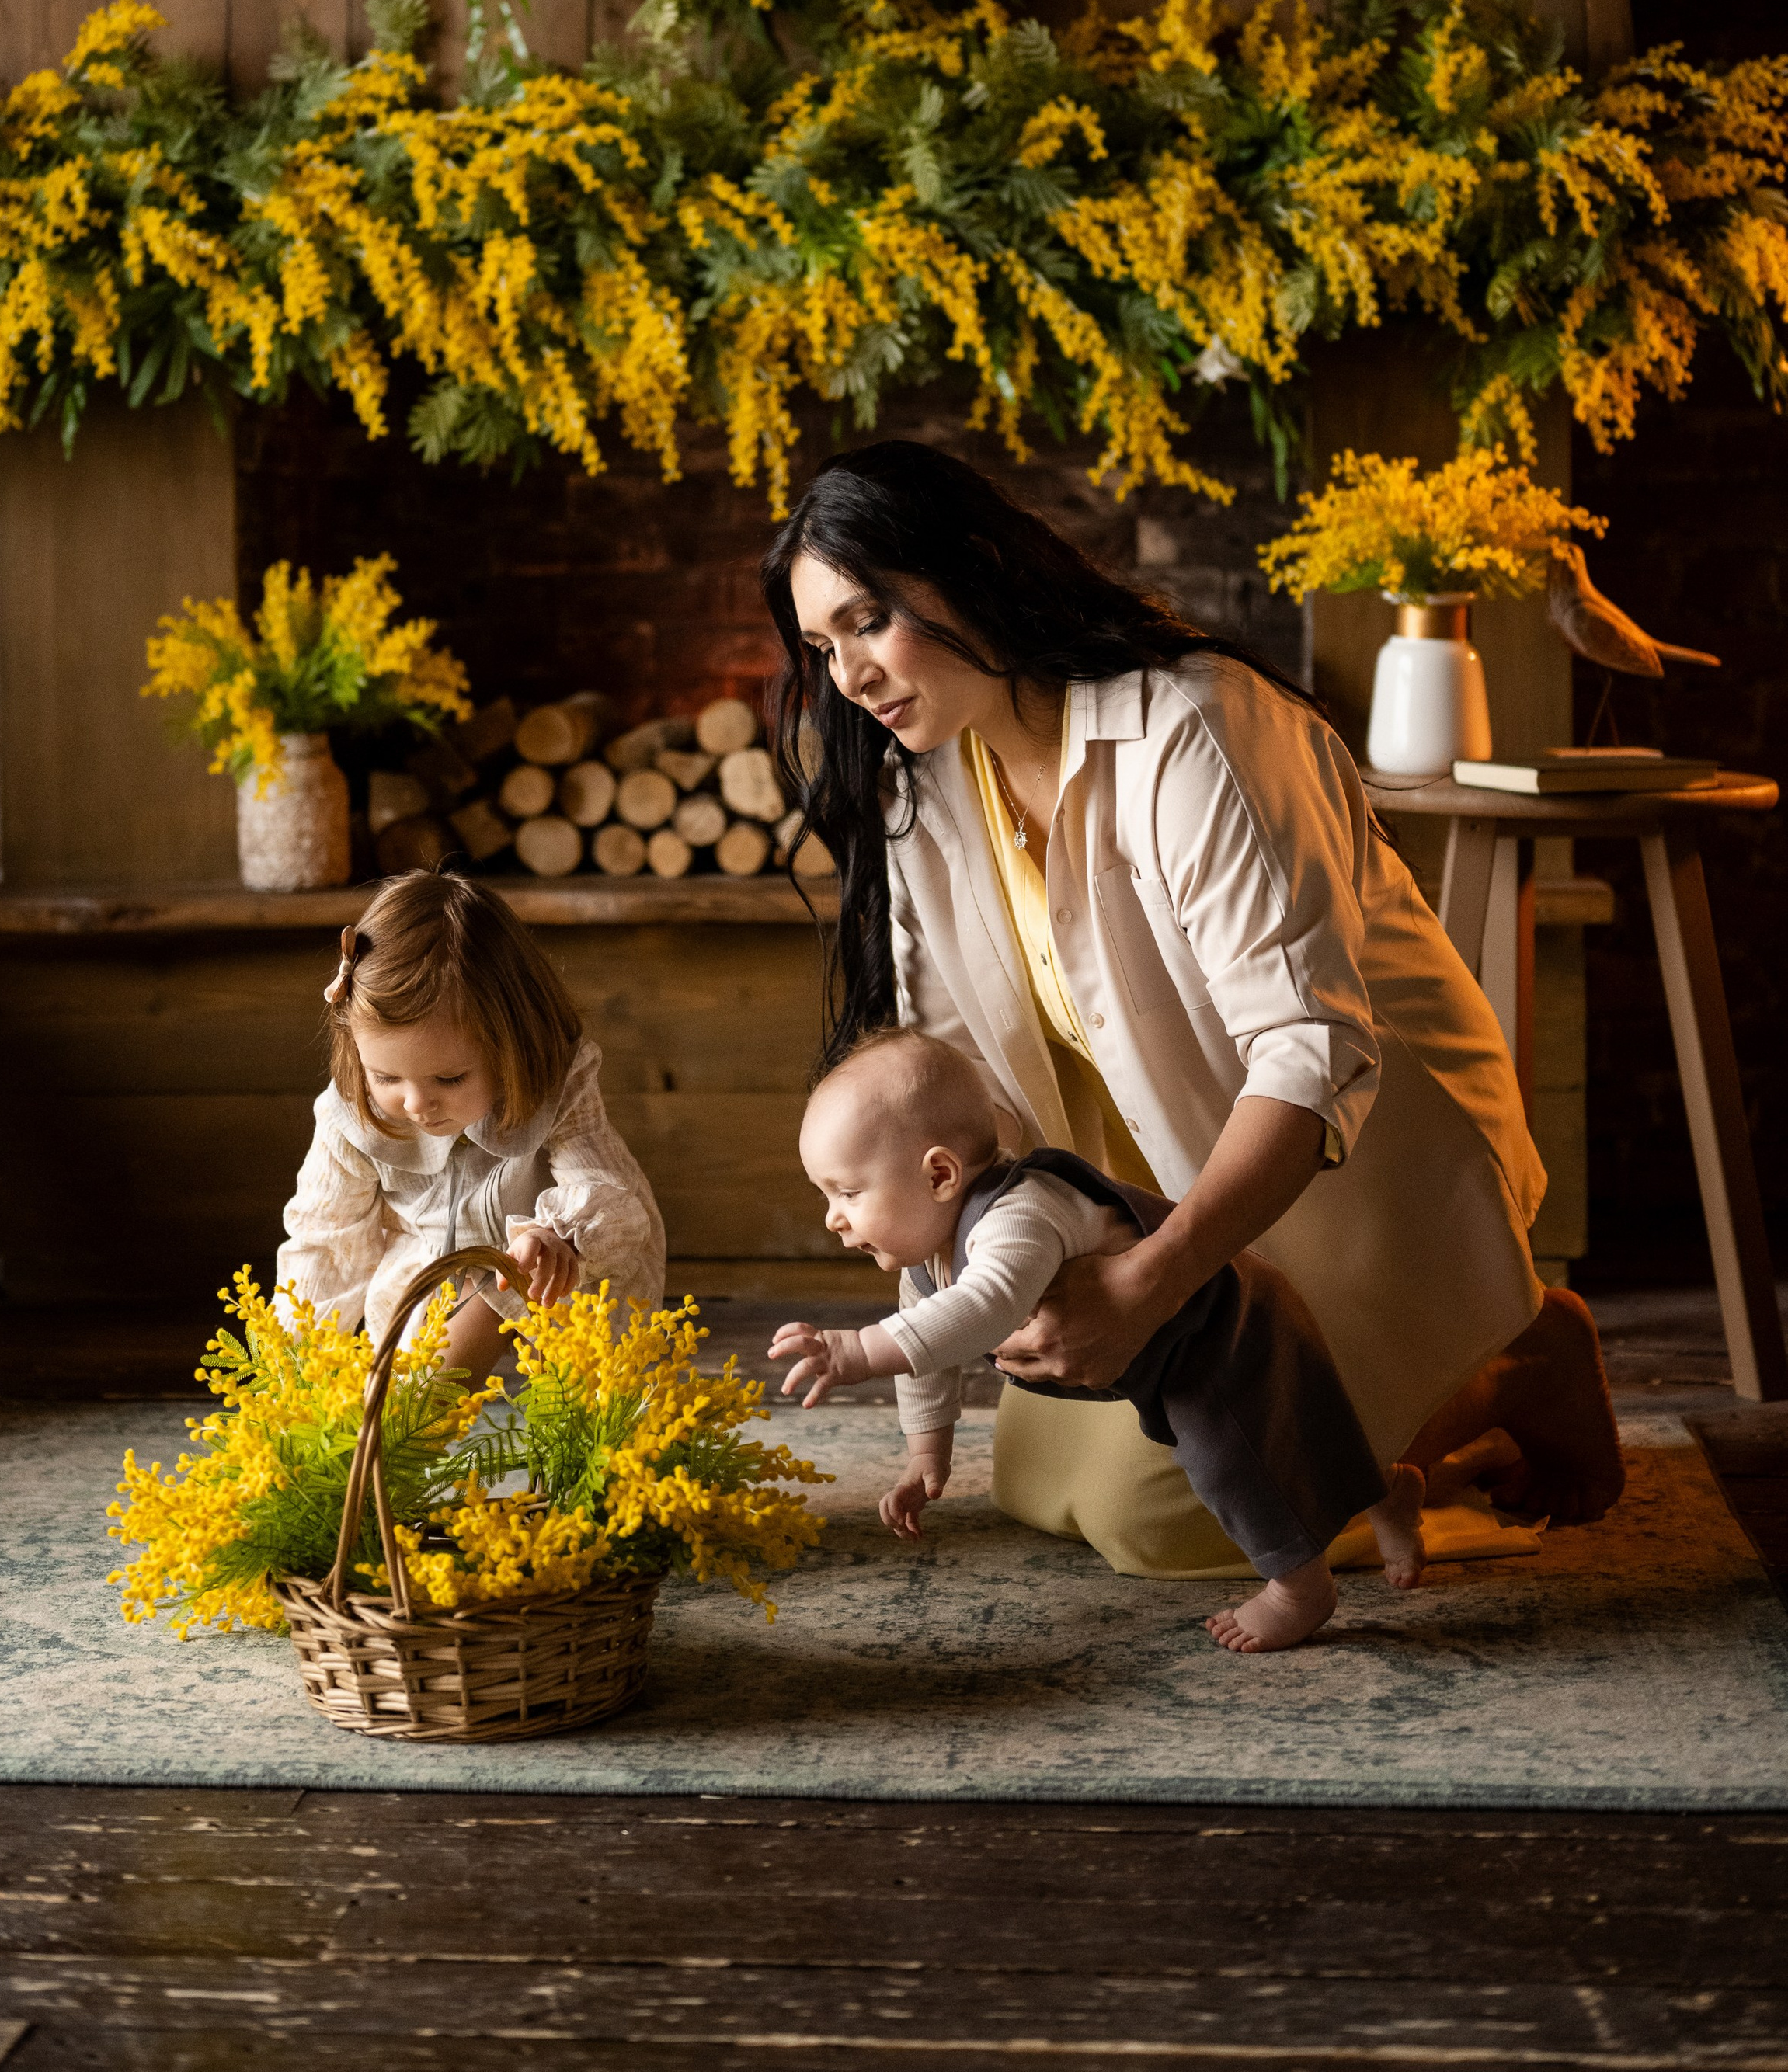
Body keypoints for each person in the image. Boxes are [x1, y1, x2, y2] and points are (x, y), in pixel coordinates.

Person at [761, 440, 1623, 1580]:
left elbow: (1308, 1058)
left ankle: (1518, 1352)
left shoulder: (1196, 730)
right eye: (826, 647)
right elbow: (954, 1099)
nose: (851, 677)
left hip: (1358, 1169)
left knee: (1160, 1524)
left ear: (969, 567)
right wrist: (983, 1277)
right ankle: (1385, 1405)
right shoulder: (928, 789)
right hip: (1170, 1171)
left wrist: (1151, 1279)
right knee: (1037, 1482)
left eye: (870, 620)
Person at [770, 1029, 1428, 1651]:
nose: (833, 1218)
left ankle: (1299, 1590)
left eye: (848, 1192)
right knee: (1295, 1428)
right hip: (1147, 1356)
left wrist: (856, 1352)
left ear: (940, 1176)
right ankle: (1386, 1491)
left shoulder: (1019, 1215)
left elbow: (986, 1305)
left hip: (1214, 1326)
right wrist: (925, 1455)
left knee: (1235, 1463)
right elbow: (927, 1356)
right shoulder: (926, 1255)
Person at [275, 867, 665, 1374]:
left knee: (515, 1290)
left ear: (509, 1049)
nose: (417, 1103)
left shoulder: (555, 1086)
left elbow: (603, 1182)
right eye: (387, 1077)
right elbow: (325, 1242)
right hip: (429, 1279)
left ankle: (584, 1427)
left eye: (450, 1078)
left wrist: (558, 1235)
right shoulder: (351, 1117)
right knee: (418, 1378)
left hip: (560, 1275)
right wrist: (295, 1366)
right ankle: (404, 1438)